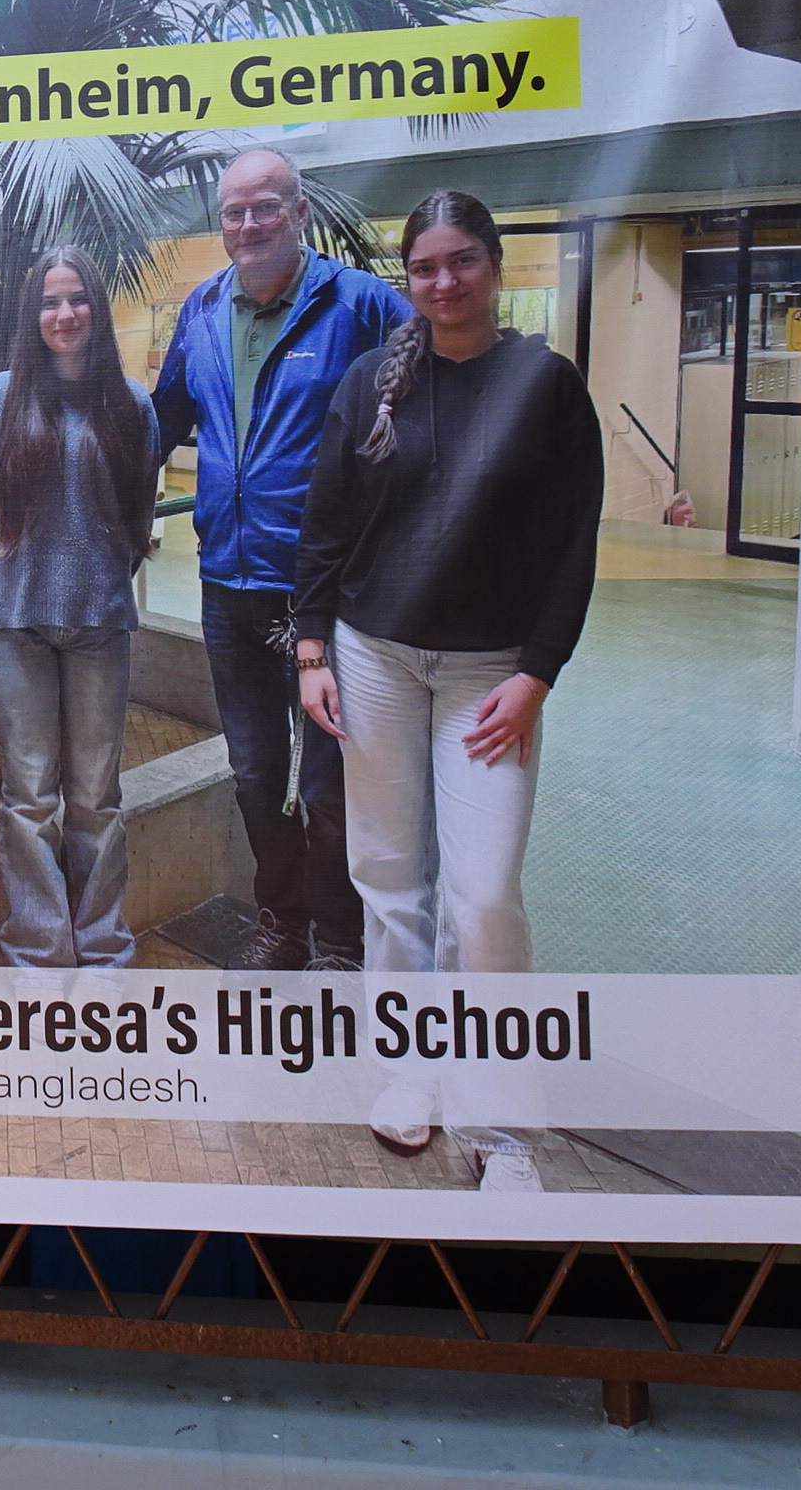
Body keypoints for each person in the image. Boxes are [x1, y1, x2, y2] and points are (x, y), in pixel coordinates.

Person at [292, 191, 602, 1192]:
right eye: (423, 268)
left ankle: (503, 1130)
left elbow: (573, 544)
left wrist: (537, 673)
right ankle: (409, 1072)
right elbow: (327, 523)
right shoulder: (370, 384)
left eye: (461, 260)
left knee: (484, 894)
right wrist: (311, 650)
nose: (443, 282)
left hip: (489, 675)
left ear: (494, 263)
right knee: (389, 879)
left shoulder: (545, 385)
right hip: (374, 659)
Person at [152, 148, 411, 971]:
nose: (249, 224)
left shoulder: (361, 305)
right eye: (234, 211)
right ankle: (281, 924)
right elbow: (160, 423)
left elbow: (427, 409)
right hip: (228, 585)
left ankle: (341, 940)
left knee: (331, 784)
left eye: (266, 207)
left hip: (326, 593)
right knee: (255, 774)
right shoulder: (201, 310)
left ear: (300, 213)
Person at [0, 247, 159, 970]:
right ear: (33, 314)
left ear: (96, 308)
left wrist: (100, 575)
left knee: (95, 797)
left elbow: (137, 515)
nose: (64, 313)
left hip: (100, 622)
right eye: (50, 302)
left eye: (77, 298)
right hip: (14, 622)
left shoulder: (131, 404)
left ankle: (104, 947)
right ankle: (39, 949)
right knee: (28, 796)